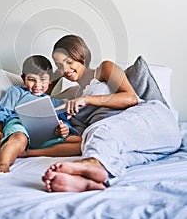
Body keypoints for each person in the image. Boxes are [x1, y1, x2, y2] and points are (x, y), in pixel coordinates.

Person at [42, 34, 181, 192]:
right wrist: (31, 152)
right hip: (144, 145)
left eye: (69, 62)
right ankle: (88, 181)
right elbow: (44, 99)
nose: (65, 70)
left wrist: (88, 99)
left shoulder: (103, 70)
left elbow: (131, 98)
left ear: (82, 56)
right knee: (112, 156)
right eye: (59, 66)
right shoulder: (70, 94)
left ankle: (90, 164)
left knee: (98, 131)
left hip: (154, 121)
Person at [0, 55, 81, 173]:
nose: (37, 85)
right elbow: (2, 113)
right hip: (20, 125)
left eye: (43, 80)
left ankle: (29, 153)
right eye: (31, 79)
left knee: (81, 142)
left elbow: (64, 121)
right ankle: (2, 165)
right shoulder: (16, 92)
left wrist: (65, 129)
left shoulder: (55, 102)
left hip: (46, 135)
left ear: (50, 80)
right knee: (19, 137)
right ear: (23, 78)